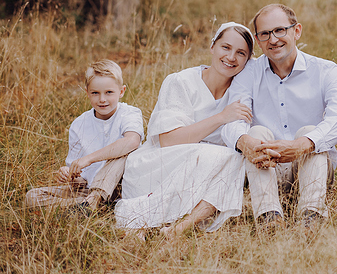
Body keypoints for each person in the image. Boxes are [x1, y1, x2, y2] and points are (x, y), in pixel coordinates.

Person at [115, 22, 254, 237]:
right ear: (212, 47)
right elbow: (168, 140)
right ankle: (145, 219)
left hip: (209, 166)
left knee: (235, 159)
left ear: (247, 60)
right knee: (229, 157)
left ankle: (180, 228)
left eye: (241, 53)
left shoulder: (241, 93)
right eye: (225, 47)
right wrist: (221, 117)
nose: (231, 57)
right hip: (162, 161)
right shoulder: (180, 82)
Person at [222, 4, 337, 228]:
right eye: (265, 34)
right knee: (255, 132)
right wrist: (246, 142)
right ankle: (269, 218)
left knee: (311, 133)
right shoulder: (248, 73)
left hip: (311, 168)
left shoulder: (326, 70)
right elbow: (231, 120)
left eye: (280, 30)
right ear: (258, 40)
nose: (273, 40)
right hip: (265, 165)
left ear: (297, 31)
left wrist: (302, 145)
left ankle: (311, 218)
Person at [25, 60, 143, 212]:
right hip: (88, 189)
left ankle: (94, 202)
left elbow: (132, 141)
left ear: (121, 91)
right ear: (87, 92)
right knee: (32, 197)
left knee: (122, 151)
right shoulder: (79, 124)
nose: (102, 99)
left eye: (109, 92)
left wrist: (88, 159)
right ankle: (91, 206)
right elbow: (80, 181)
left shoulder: (130, 113)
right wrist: (70, 175)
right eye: (95, 93)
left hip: (123, 187)